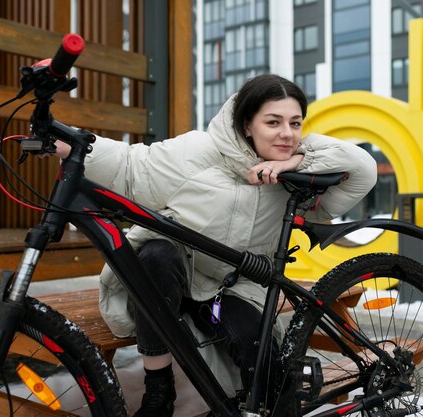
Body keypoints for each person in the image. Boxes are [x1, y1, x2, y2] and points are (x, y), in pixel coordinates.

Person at [54, 74, 377, 416]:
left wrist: (296, 161)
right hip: (176, 272)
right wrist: (72, 144)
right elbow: (132, 166)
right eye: (273, 122)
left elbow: (363, 170)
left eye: (295, 123)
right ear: (247, 124)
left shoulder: (293, 179)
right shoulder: (199, 151)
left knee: (260, 352)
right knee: (156, 255)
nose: (287, 133)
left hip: (235, 288)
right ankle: (158, 390)